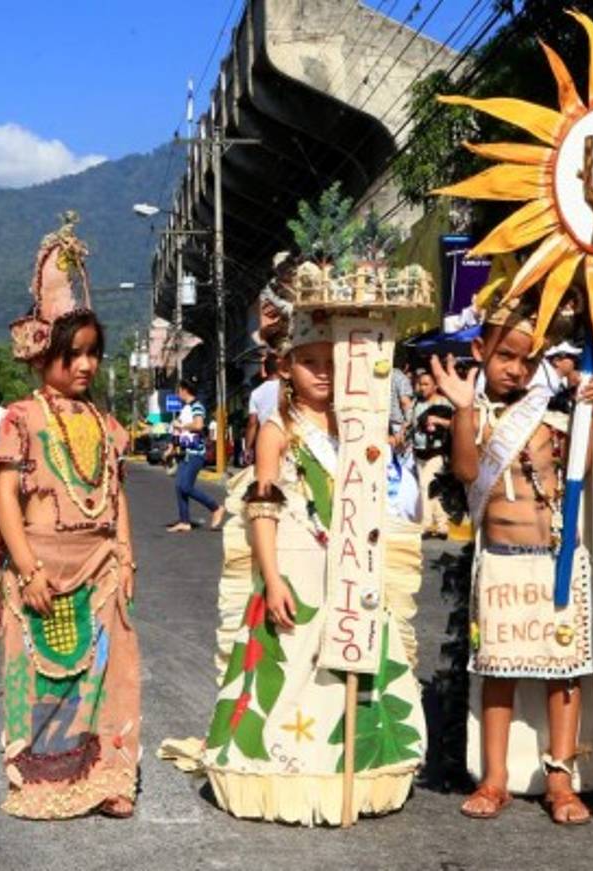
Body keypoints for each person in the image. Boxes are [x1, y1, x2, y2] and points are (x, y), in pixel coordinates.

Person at [162, 264, 425, 826]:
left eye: (333, 364)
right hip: (297, 567)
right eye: (310, 363)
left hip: (351, 565)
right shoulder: (280, 429)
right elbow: (262, 507)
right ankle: (283, 768)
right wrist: (272, 576)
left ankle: (349, 770)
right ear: (287, 367)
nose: (323, 375)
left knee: (349, 663)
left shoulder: (357, 427)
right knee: (292, 667)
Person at [431, 297, 593, 826]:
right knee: (498, 673)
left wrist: (588, 409)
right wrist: (462, 409)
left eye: (528, 360)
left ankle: (561, 779)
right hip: (501, 563)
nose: (516, 368)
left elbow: (588, 469)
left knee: (564, 673)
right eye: (506, 355)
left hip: (556, 560)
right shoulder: (475, 414)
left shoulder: (555, 411)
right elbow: (464, 472)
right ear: (480, 350)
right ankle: (495, 778)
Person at [0, 214, 139, 819]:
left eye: (93, 354)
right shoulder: (22, 418)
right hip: (42, 564)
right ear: (43, 354)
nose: (85, 366)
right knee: (37, 676)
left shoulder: (104, 423)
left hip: (99, 564)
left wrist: (126, 555)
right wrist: (25, 568)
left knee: (113, 670)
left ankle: (110, 775)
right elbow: (5, 498)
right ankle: (44, 779)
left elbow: (115, 495)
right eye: (73, 354)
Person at [166, 376, 224, 532]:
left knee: (185, 486)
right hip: (185, 452)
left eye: (179, 390)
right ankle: (184, 521)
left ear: (185, 390)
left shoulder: (197, 406)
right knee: (179, 487)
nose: (178, 394)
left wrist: (182, 425)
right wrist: (171, 448)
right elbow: (178, 431)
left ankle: (215, 507)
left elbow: (198, 425)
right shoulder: (184, 408)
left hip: (195, 453)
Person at [411, 368, 452, 538]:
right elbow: (412, 424)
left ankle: (426, 525)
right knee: (431, 490)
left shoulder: (444, 403)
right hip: (419, 452)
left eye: (426, 384)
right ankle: (443, 525)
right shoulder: (417, 403)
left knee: (425, 486)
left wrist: (438, 420)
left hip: (437, 452)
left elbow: (455, 423)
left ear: (435, 386)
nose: (422, 387)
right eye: (420, 384)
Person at [242, 352, 279, 465]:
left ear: (265, 370)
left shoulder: (256, 393)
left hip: (266, 441)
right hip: (290, 438)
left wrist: (247, 449)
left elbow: (252, 423)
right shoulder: (289, 386)